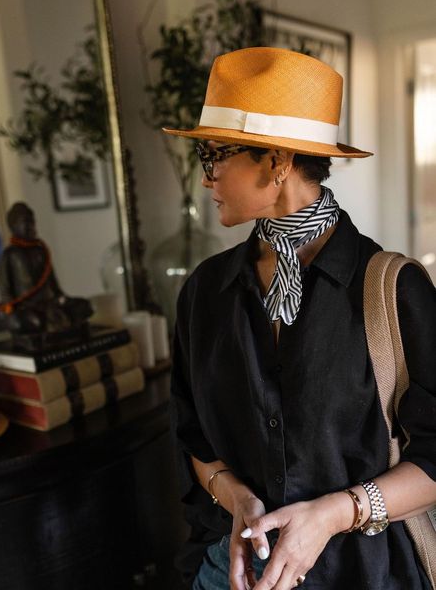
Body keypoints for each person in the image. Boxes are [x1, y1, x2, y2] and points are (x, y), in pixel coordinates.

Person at [165, 48, 436, 590]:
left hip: (366, 574)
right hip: (231, 571)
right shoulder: (204, 293)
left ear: (277, 162)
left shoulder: (392, 289)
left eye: (215, 155)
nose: (206, 178)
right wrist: (234, 495)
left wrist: (334, 514)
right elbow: (195, 437)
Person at [0, 202, 92, 335]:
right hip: (27, 307)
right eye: (26, 222)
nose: (31, 226)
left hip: (50, 303)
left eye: (32, 222)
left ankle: (60, 323)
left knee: (84, 306)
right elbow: (4, 288)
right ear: (13, 226)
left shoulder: (41, 251)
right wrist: (10, 308)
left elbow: (52, 282)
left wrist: (62, 297)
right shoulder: (10, 254)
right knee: (31, 321)